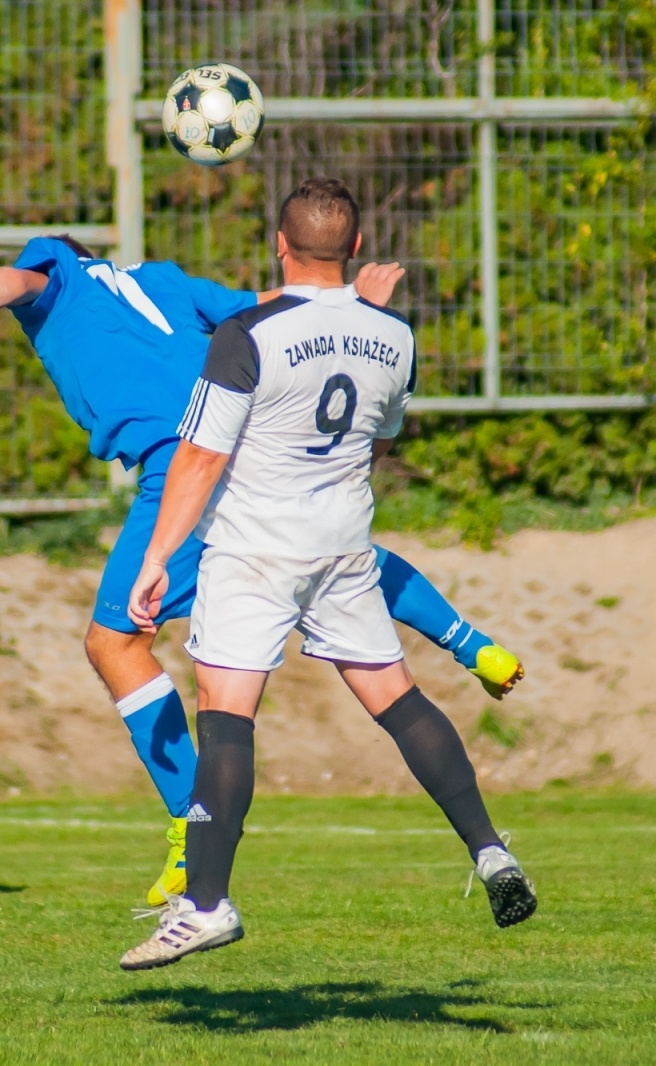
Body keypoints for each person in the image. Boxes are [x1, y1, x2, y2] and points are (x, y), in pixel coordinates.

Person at [0, 235, 523, 909]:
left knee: (113, 642)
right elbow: (275, 302)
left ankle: (187, 816)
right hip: (251, 437)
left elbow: (6, 282)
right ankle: (477, 647)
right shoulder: (163, 282)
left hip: (184, 458)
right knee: (335, 555)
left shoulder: (58, 280)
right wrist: (353, 308)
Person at [117, 177, 536, 971]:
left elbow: (202, 457)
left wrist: (156, 558)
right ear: (352, 250)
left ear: (279, 247)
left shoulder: (247, 332)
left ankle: (205, 905)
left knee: (225, 710)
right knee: (396, 695)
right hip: (343, 542)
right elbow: (378, 441)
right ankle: (489, 850)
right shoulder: (396, 336)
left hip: (255, 547)